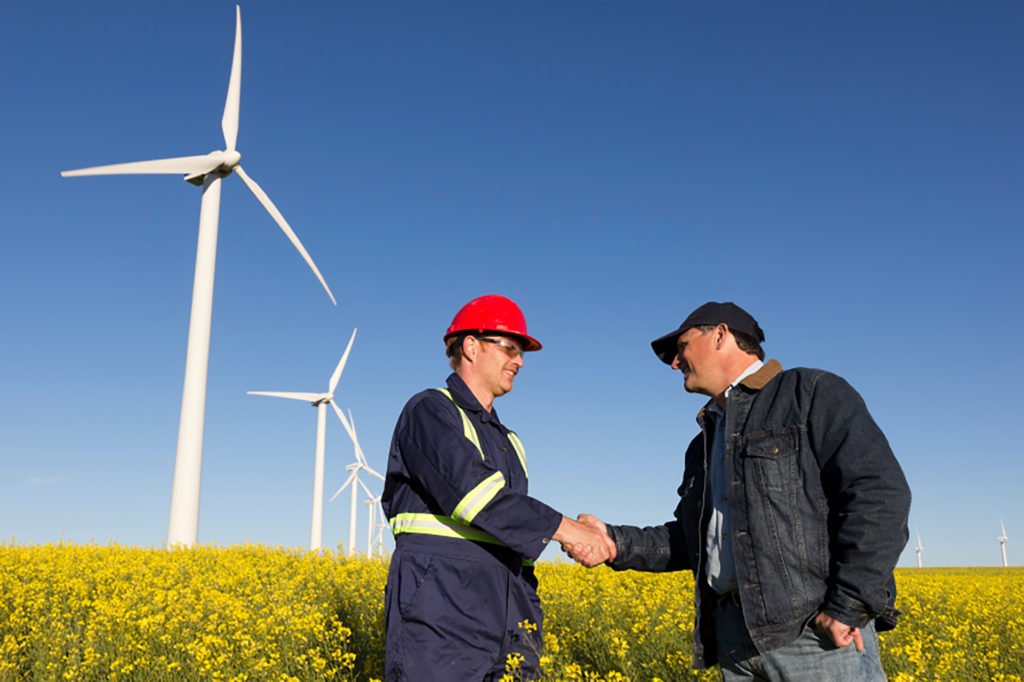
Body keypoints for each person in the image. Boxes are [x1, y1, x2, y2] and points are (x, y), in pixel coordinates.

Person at [572, 301, 911, 681]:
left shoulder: (809, 393)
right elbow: (692, 540)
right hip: (735, 638)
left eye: (681, 346)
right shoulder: (703, 443)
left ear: (720, 335)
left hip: (812, 638)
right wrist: (613, 542)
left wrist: (849, 604)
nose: (674, 363)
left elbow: (879, 494)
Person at [381, 294, 612, 681]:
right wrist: (570, 530)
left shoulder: (509, 440)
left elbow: (513, 526)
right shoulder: (430, 411)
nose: (519, 361)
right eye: (509, 348)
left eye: (521, 352)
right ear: (470, 346)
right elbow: (477, 498)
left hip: (506, 613)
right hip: (441, 612)